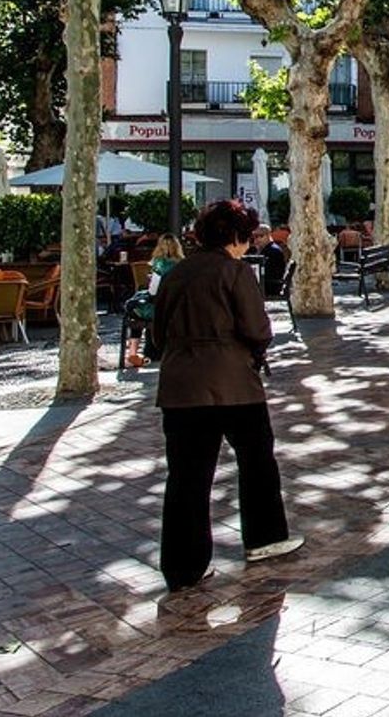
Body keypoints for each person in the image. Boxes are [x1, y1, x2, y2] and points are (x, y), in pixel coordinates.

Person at [152, 199, 300, 593]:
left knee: (186, 476)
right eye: (246, 237)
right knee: (256, 460)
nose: (248, 245)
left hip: (180, 387)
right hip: (233, 383)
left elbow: (157, 334)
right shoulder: (235, 273)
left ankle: (184, 567)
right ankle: (264, 538)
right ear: (235, 236)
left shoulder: (175, 274)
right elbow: (256, 328)